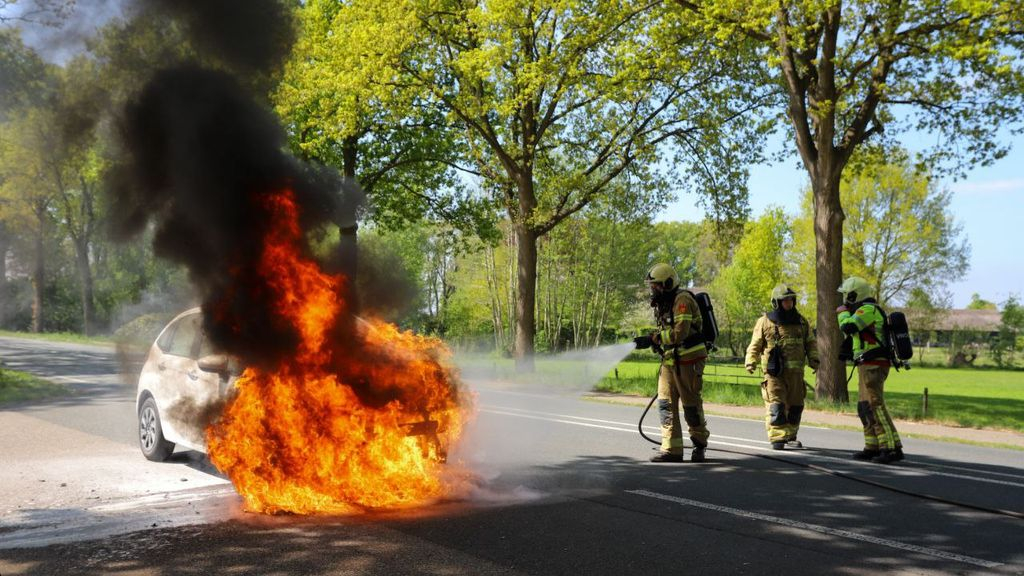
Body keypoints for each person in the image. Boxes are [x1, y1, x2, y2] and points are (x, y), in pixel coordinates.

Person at [634, 263, 710, 463]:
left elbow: (680, 332)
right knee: (665, 405)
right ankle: (672, 450)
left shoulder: (682, 300)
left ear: (668, 283)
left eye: (656, 285)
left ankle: (699, 444)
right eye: (652, 286)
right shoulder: (664, 303)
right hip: (671, 361)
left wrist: (655, 339)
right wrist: (654, 341)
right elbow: (667, 334)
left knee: (691, 406)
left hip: (689, 360)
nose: (653, 289)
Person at [837, 276, 904, 464]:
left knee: (875, 406)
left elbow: (849, 326)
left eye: (847, 296)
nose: (844, 301)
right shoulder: (862, 310)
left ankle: (891, 448)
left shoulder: (867, 309)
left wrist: (841, 313)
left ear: (855, 295)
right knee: (864, 407)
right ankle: (872, 446)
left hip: (875, 364)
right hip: (865, 364)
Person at [745, 284, 819, 450]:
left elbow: (811, 343)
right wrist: (751, 361)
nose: (789, 304)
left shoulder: (801, 322)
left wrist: (814, 359)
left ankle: (791, 435)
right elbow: (755, 344)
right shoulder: (765, 321)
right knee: (776, 405)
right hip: (774, 374)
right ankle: (778, 437)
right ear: (776, 303)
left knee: (796, 406)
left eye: (791, 300)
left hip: (796, 374)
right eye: (785, 301)